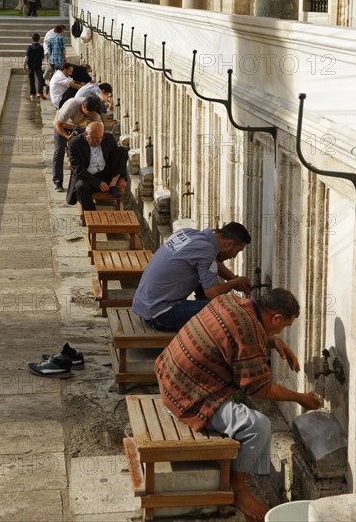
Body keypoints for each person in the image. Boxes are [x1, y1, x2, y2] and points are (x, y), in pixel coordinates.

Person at [155, 288, 321, 520]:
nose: (281, 331)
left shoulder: (231, 301)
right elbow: (258, 388)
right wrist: (300, 398)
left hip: (169, 376)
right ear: (275, 318)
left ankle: (250, 473)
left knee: (247, 415)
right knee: (259, 426)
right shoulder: (249, 330)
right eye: (283, 326)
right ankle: (240, 490)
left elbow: (235, 337)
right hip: (186, 397)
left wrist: (272, 341)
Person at [132, 222, 252, 331]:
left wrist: (234, 278)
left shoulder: (191, 234)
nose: (234, 257)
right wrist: (234, 283)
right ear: (229, 244)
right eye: (237, 251)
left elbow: (212, 263)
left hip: (145, 305)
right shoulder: (205, 250)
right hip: (159, 314)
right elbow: (212, 292)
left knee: (205, 278)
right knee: (226, 310)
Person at [66, 122, 128, 210]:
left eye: (100, 138)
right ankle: (92, 215)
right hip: (88, 176)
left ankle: (112, 185)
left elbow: (117, 159)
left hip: (106, 173)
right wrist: (98, 184)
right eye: (95, 138)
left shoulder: (108, 138)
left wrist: (122, 177)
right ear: (87, 135)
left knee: (122, 151)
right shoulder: (75, 144)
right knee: (80, 188)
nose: (98, 141)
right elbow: (78, 170)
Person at [53, 96, 102, 191]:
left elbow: (98, 128)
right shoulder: (71, 105)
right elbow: (57, 125)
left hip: (80, 127)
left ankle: (84, 180)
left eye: (92, 114)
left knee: (84, 152)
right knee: (59, 151)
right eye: (88, 114)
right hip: (63, 125)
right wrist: (66, 137)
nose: (90, 116)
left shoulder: (94, 113)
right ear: (83, 107)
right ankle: (57, 181)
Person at [23, 33, 45, 101]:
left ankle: (32, 94)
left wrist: (24, 66)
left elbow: (26, 57)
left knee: (31, 79)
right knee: (40, 79)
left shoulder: (29, 47)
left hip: (31, 66)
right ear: (39, 39)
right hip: (38, 65)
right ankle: (40, 92)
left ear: (32, 39)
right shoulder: (41, 47)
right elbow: (42, 58)